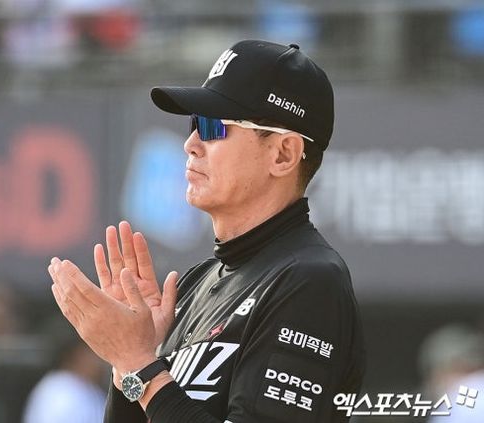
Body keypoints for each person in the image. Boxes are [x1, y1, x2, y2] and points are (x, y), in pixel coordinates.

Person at [48, 39, 366, 422]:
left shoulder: (310, 281)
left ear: (283, 154)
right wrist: (127, 363)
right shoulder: (195, 285)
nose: (191, 144)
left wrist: (140, 363)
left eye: (214, 126)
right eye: (194, 123)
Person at [23, 322, 108, 423]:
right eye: (93, 350)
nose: (102, 359)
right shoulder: (63, 392)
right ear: (77, 354)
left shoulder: (84, 386)